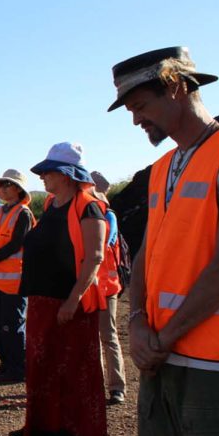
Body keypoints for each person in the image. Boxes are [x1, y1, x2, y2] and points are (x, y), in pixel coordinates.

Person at [108, 46, 219, 436]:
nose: (135, 119)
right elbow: (147, 253)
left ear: (175, 87)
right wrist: (135, 322)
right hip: (161, 358)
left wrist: (166, 335)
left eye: (140, 105)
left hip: (208, 366)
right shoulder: (162, 170)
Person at [13, 143, 108, 436]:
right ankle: (42, 426)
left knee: (72, 367)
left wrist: (72, 299)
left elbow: (94, 257)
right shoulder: (52, 204)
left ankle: (74, 432)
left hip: (70, 301)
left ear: (66, 175)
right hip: (43, 299)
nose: (42, 177)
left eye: (48, 172)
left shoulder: (88, 206)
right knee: (43, 364)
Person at [0, 170, 34, 383]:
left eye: (7, 185)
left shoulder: (23, 213)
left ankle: (17, 367)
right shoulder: (1, 211)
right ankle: (6, 363)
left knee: (13, 325)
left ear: (18, 188)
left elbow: (15, 244)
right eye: (1, 184)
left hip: (15, 280)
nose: (2, 188)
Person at [89, 171, 127, 405]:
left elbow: (103, 245)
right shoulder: (101, 213)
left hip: (105, 286)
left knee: (107, 336)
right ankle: (100, 385)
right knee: (99, 337)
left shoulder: (106, 217)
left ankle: (116, 387)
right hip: (93, 286)